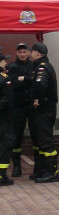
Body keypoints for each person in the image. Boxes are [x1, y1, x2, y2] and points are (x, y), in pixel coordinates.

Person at [27, 42, 59, 183]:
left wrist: (38, 100)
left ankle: (52, 172)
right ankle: (42, 169)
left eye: (32, 51)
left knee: (45, 142)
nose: (30, 54)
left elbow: (41, 84)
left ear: (38, 53)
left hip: (44, 110)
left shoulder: (42, 67)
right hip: (39, 112)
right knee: (39, 142)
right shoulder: (37, 66)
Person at [8, 43, 32, 177]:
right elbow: (13, 84)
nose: (22, 54)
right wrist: (26, 81)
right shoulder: (12, 67)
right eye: (20, 52)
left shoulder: (33, 66)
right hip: (18, 107)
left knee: (36, 134)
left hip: (32, 106)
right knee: (17, 137)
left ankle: (39, 166)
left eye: (24, 52)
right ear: (16, 53)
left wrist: (24, 79)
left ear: (28, 53)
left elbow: (35, 81)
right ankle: (17, 166)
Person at [0, 53, 14, 186]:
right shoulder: (5, 79)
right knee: (5, 145)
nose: (6, 63)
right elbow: (7, 99)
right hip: (5, 119)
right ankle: (2, 175)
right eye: (4, 61)